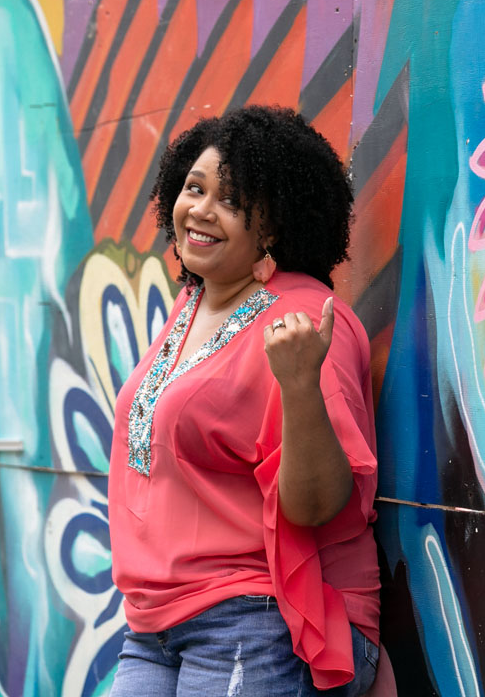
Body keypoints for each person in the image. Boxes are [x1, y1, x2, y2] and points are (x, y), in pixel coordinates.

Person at [108, 105, 380, 695]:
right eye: (194, 188)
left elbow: (319, 505)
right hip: (153, 624)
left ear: (273, 226)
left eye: (229, 200)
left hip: (257, 616)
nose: (201, 210)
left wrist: (302, 385)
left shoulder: (305, 321)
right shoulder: (193, 305)